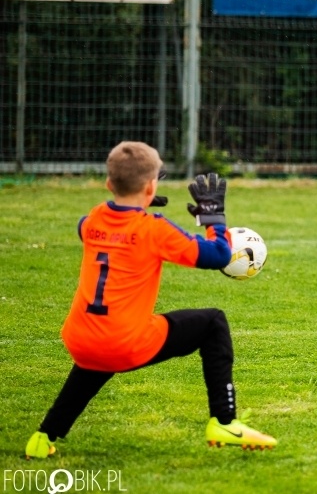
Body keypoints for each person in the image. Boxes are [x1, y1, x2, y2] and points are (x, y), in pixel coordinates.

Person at [25, 141, 276, 459]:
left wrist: (135, 203)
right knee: (213, 323)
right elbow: (219, 254)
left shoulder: (94, 219)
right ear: (151, 186)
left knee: (100, 351)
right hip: (123, 343)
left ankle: (44, 436)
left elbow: (85, 227)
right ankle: (225, 421)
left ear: (108, 184)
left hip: (80, 339)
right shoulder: (153, 230)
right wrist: (214, 220)